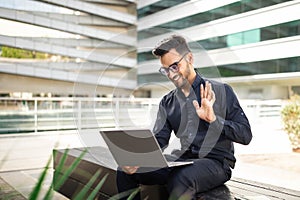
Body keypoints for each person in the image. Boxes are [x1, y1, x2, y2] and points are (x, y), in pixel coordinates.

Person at [116, 35, 252, 200]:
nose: (171, 74)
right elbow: (160, 139)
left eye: (174, 66)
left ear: (189, 58)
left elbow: (245, 135)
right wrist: (138, 158)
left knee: (180, 178)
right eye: (166, 70)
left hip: (216, 163)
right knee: (125, 169)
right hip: (182, 160)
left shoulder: (222, 91)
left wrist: (214, 120)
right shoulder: (167, 102)